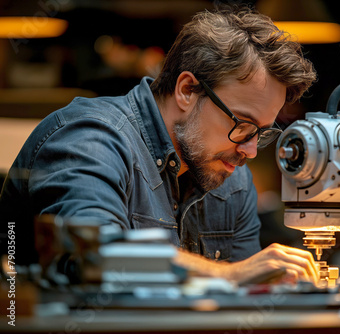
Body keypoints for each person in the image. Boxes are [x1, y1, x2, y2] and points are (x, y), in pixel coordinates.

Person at [0, 5, 318, 284]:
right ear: (187, 90)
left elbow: (244, 299)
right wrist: (229, 274)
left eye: (261, 133)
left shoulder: (233, 182)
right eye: (243, 125)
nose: (250, 151)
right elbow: (91, 254)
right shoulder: (91, 138)